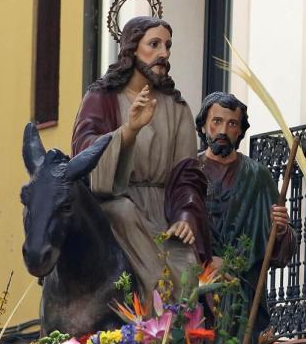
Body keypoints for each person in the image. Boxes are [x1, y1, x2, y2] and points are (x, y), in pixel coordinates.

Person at [71, 16, 210, 303]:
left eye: (167, 46)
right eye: (154, 44)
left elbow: (187, 173)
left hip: (163, 211)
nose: (164, 53)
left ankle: (176, 321)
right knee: (123, 212)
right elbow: (83, 154)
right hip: (114, 207)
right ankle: (156, 303)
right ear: (132, 49)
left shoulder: (177, 107)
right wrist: (129, 130)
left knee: (186, 265)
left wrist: (185, 216)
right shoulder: (102, 98)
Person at [195, 92, 297, 344]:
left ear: (240, 131)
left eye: (232, 124)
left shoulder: (257, 176)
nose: (223, 130)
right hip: (195, 289)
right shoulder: (189, 171)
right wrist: (206, 262)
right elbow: (172, 225)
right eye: (217, 121)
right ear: (204, 125)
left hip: (241, 290)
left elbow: (280, 249)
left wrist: (281, 230)